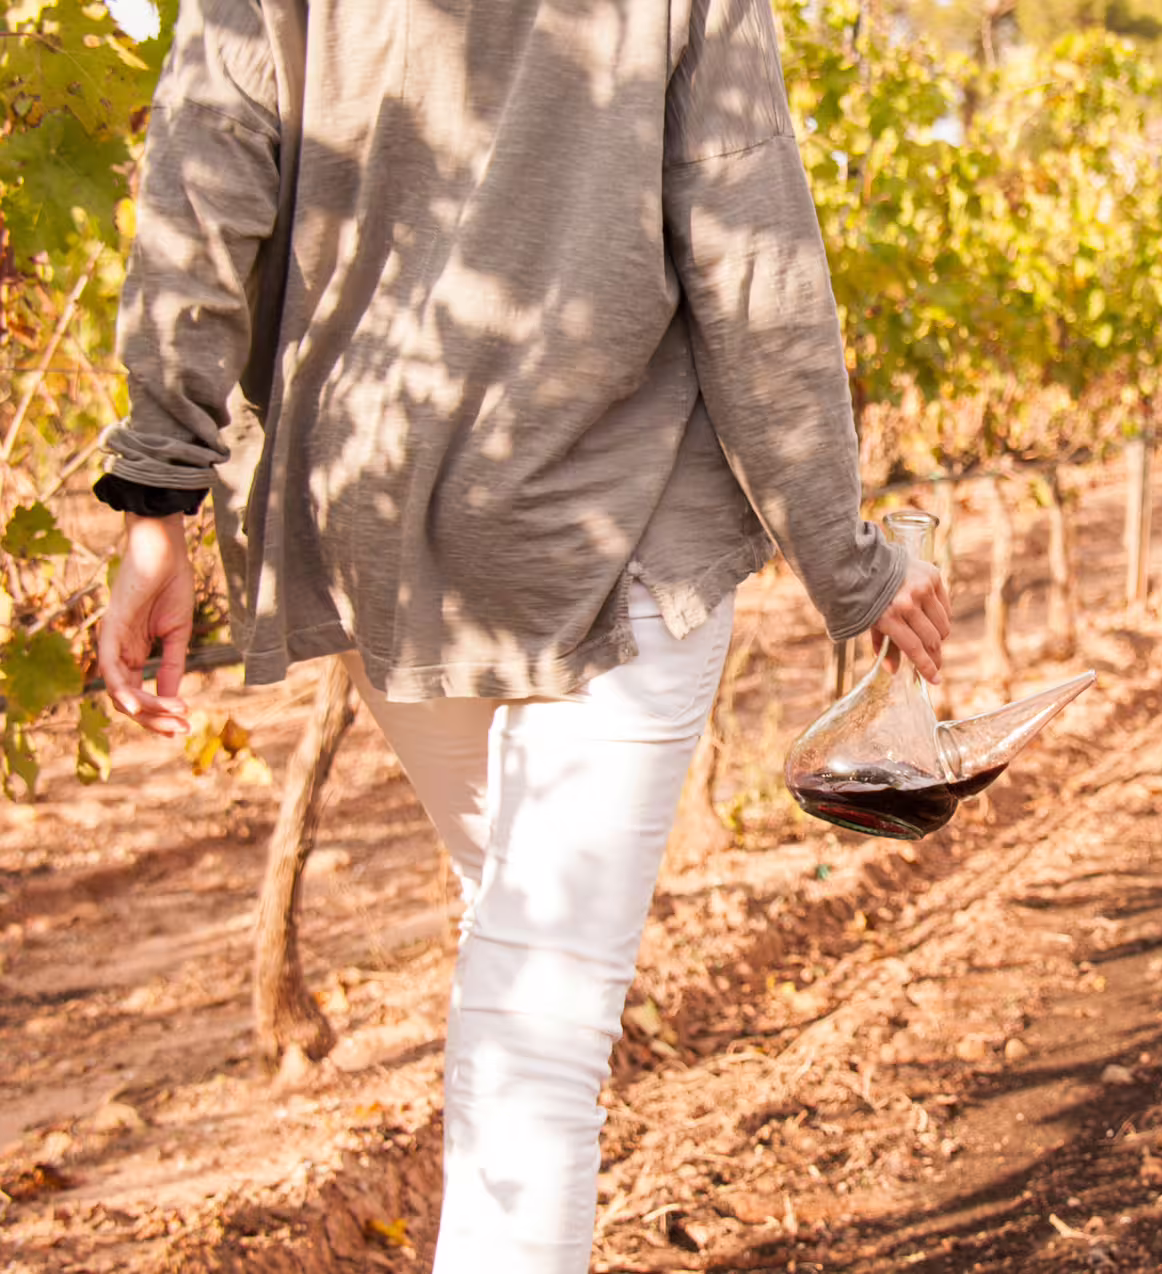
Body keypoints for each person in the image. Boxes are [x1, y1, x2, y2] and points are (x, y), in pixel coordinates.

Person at [91, 0, 952, 1268]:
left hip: (384, 515)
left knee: (517, 938)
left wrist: (159, 495)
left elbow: (204, 166)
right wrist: (848, 559)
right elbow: (750, 250)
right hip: (623, 534)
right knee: (540, 1026)